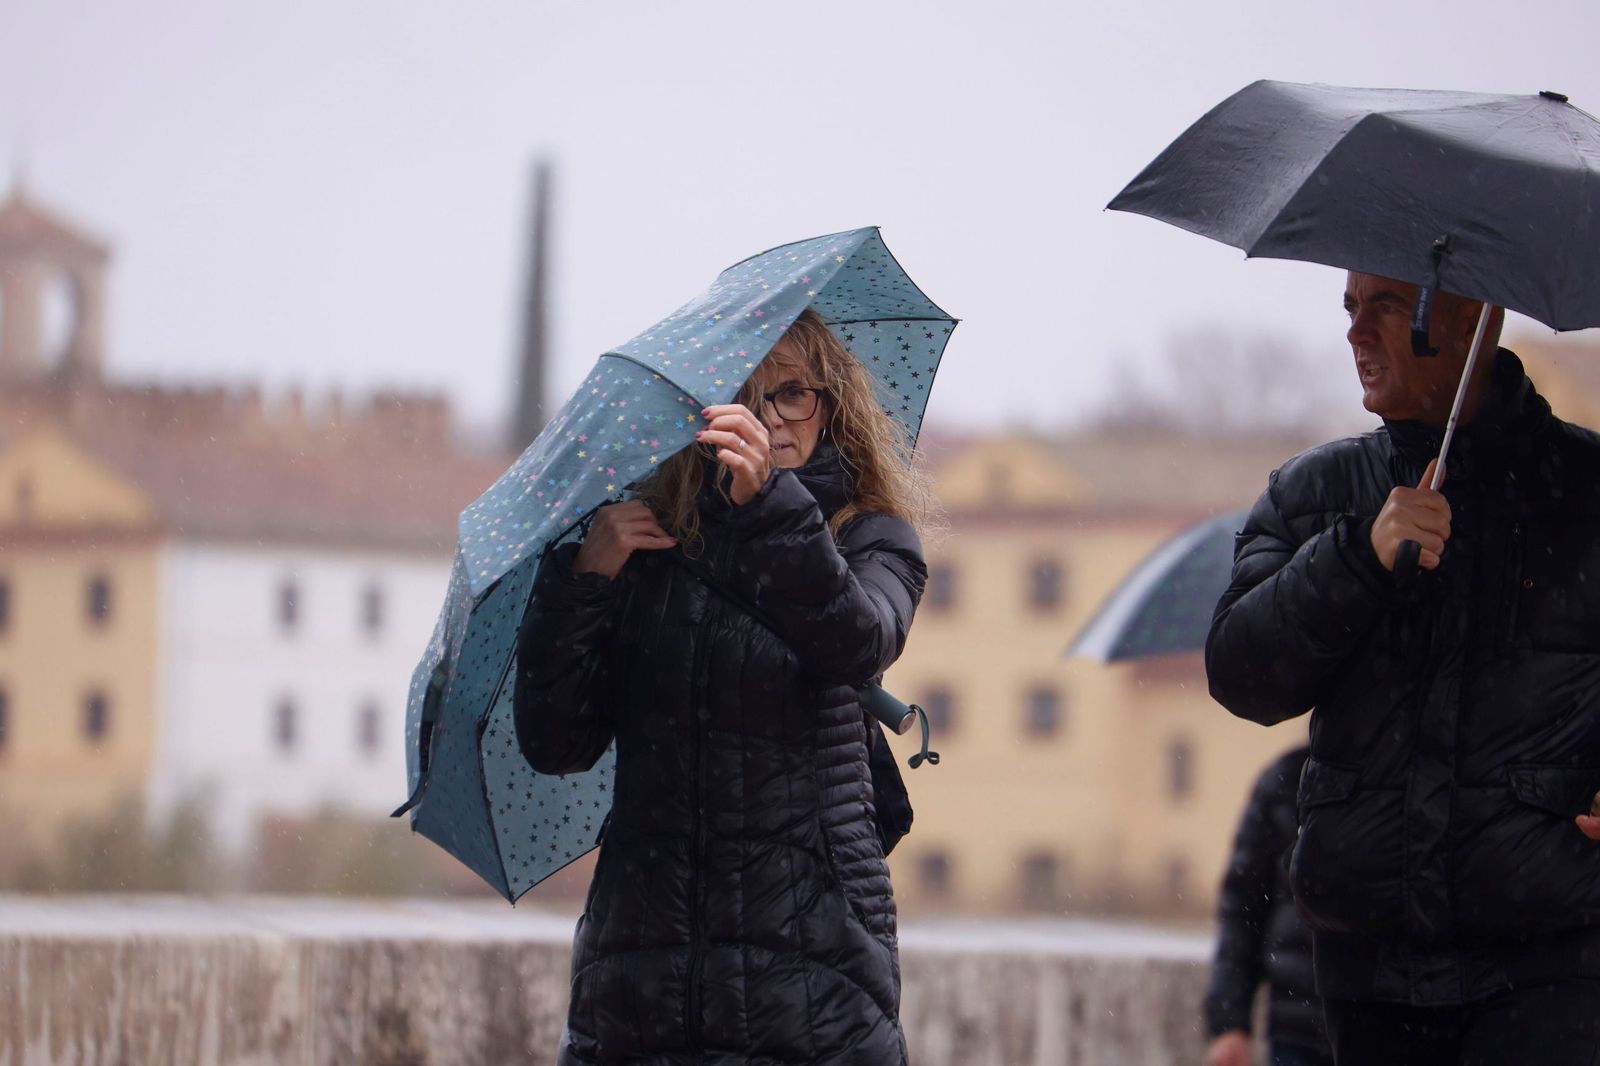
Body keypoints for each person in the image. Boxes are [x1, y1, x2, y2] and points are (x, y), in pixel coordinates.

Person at [514, 308, 930, 1066]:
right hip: (642, 972)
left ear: (828, 405)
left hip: (811, 975)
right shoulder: (650, 543)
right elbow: (556, 740)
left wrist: (769, 506)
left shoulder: (869, 536)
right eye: (745, 395)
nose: (770, 418)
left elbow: (857, 641)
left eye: (793, 393)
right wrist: (586, 582)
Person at [1206, 271, 1600, 1064]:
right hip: (1366, 974)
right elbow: (1242, 674)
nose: (1356, 333)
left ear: (1471, 321)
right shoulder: (1314, 492)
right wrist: (1358, 557)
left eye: (1385, 306)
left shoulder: (1588, 491)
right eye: (1350, 308)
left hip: (1551, 966)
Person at [1203, 745, 1332, 1066]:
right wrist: (1229, 1021)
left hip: (1380, 1024)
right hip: (1301, 1030)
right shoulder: (1286, 781)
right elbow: (1242, 909)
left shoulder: (1287, 779)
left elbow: (1242, 909)